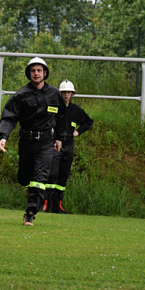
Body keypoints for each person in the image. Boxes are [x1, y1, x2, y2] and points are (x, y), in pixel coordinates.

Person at [0, 57, 66, 226]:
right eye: (33, 70)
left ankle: (30, 212)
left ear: (45, 73)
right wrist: (4, 136)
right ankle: (28, 187)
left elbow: (62, 117)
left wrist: (59, 137)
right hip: (26, 142)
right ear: (29, 73)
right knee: (24, 177)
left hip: (46, 143)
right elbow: (9, 117)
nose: (36, 73)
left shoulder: (54, 93)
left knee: (40, 176)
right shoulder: (20, 95)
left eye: (39, 70)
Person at [43, 79, 93, 214]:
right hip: (55, 145)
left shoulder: (76, 110)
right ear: (60, 93)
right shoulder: (54, 107)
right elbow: (47, 121)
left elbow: (88, 122)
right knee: (51, 174)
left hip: (69, 145)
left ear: (72, 94)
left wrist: (78, 132)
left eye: (68, 92)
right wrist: (54, 137)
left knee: (63, 175)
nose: (66, 95)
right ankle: (45, 205)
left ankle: (58, 206)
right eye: (64, 92)